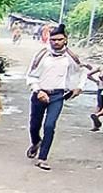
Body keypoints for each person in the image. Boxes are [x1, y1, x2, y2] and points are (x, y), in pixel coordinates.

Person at [26, 24, 87, 170]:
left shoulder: (71, 57)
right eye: (53, 40)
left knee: (49, 125)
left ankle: (42, 158)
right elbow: (30, 75)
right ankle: (36, 142)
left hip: (58, 95)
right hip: (39, 93)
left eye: (59, 39)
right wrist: (38, 90)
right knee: (34, 125)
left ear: (65, 39)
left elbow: (82, 70)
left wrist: (79, 86)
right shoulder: (42, 55)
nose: (56, 42)